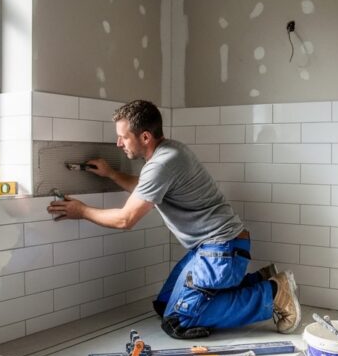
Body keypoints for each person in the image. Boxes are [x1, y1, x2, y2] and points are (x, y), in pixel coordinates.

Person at [47, 99, 301, 339]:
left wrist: (81, 211)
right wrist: (112, 174)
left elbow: (125, 219)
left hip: (222, 250)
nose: (118, 143)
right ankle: (260, 281)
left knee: (178, 320)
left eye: (123, 137)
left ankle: (273, 294)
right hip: (216, 249)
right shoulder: (169, 152)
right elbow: (145, 186)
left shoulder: (162, 163)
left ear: (144, 136)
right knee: (166, 304)